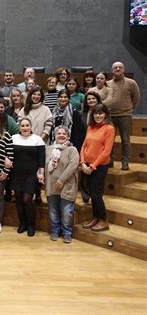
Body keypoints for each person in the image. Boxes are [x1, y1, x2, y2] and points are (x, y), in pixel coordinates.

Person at [80, 104, 115, 232]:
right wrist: (83, 162)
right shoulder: (90, 127)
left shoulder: (109, 129)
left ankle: (103, 220)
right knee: (91, 192)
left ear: (105, 114)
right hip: (87, 165)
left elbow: (106, 151)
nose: (98, 116)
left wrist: (93, 166)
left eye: (101, 113)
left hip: (99, 166)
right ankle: (95, 217)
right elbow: (84, 146)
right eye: (96, 113)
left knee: (96, 194)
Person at [45, 125, 80, 243]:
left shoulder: (72, 149)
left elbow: (73, 166)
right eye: (58, 133)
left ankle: (66, 233)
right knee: (53, 210)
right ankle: (55, 231)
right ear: (54, 136)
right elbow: (44, 165)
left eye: (64, 134)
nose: (61, 135)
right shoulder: (49, 149)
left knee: (66, 211)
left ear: (68, 136)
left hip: (67, 185)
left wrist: (61, 180)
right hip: (51, 185)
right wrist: (40, 173)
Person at [11, 118, 45, 237]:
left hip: (31, 175)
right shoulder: (14, 138)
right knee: (19, 200)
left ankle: (31, 225)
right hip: (16, 174)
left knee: (27, 199)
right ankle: (23, 224)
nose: (25, 128)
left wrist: (41, 173)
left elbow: (41, 159)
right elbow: (8, 153)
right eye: (22, 126)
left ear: (31, 127)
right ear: (19, 127)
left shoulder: (37, 140)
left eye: (27, 125)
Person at [105, 61, 140, 170]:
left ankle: (125, 162)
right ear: (112, 70)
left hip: (125, 115)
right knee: (110, 140)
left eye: (120, 67)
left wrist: (129, 109)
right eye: (115, 68)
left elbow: (136, 98)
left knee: (125, 140)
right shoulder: (107, 83)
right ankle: (110, 161)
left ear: (124, 69)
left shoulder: (131, 83)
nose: (118, 69)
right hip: (110, 115)